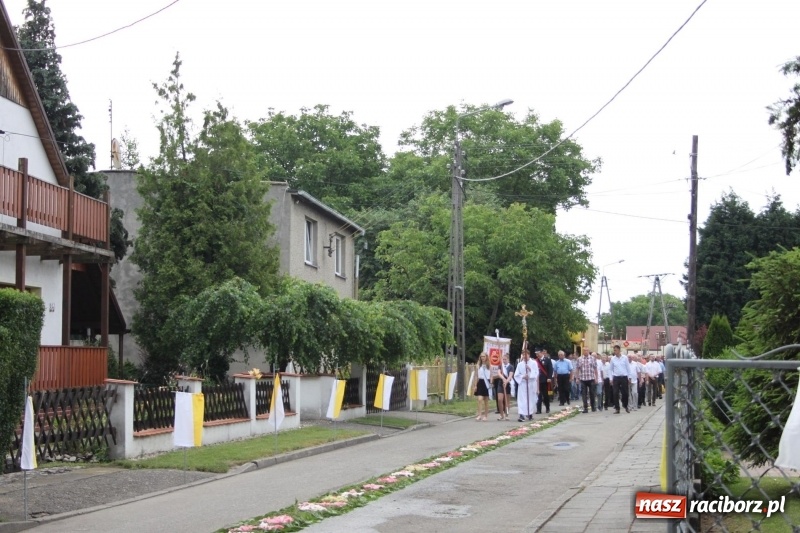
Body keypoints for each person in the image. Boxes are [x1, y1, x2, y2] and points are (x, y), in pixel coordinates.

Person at [514, 349, 538, 421]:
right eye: (523, 355)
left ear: (529, 354)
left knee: (530, 399)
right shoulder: (520, 364)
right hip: (523, 384)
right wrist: (523, 377)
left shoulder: (534, 363)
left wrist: (530, 370)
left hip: (531, 383)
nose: (524, 356)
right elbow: (516, 375)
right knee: (522, 399)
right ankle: (521, 415)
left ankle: (530, 413)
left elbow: (536, 373)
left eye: (526, 354)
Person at [610, 345, 631, 413]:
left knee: (625, 393)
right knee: (615, 393)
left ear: (619, 350)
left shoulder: (624, 358)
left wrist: (629, 377)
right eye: (614, 350)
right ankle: (617, 408)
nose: (614, 351)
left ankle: (625, 405)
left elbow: (628, 368)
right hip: (616, 377)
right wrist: (611, 378)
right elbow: (610, 369)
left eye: (615, 350)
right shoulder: (613, 359)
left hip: (624, 377)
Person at [576, 348, 597, 413]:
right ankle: (585, 408)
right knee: (584, 394)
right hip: (583, 379)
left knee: (592, 393)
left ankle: (593, 407)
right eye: (584, 350)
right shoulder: (579, 359)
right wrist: (577, 378)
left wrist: (596, 378)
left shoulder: (592, 358)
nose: (585, 352)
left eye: (587, 350)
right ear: (583, 351)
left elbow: (595, 369)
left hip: (591, 378)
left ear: (588, 351)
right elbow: (577, 369)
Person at [473, 352, 491, 421]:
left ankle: (485, 416)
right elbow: (476, 376)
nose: (482, 358)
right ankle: (479, 415)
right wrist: (475, 385)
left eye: (483, 356)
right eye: (481, 356)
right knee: (479, 399)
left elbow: (491, 375)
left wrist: (491, 383)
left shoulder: (489, 365)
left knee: (486, 400)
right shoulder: (478, 365)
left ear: (486, 357)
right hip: (480, 382)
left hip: (486, 382)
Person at [535, 349, 553, 414]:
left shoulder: (547, 360)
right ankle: (538, 409)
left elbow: (550, 369)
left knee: (546, 396)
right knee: (538, 395)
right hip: (538, 381)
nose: (537, 355)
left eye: (538, 353)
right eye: (536, 354)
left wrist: (549, 377)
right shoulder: (535, 361)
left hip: (545, 380)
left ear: (541, 353)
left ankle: (547, 407)